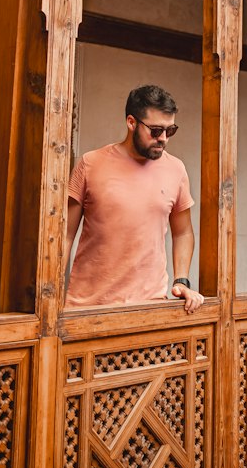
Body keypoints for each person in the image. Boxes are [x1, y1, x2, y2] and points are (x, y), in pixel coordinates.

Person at [65, 84, 205, 313]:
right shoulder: (90, 164)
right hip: (87, 308)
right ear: (131, 122)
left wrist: (182, 281)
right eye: (156, 130)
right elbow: (65, 235)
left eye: (170, 131)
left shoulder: (176, 170)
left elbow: (183, 232)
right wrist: (48, 296)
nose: (164, 139)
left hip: (149, 308)